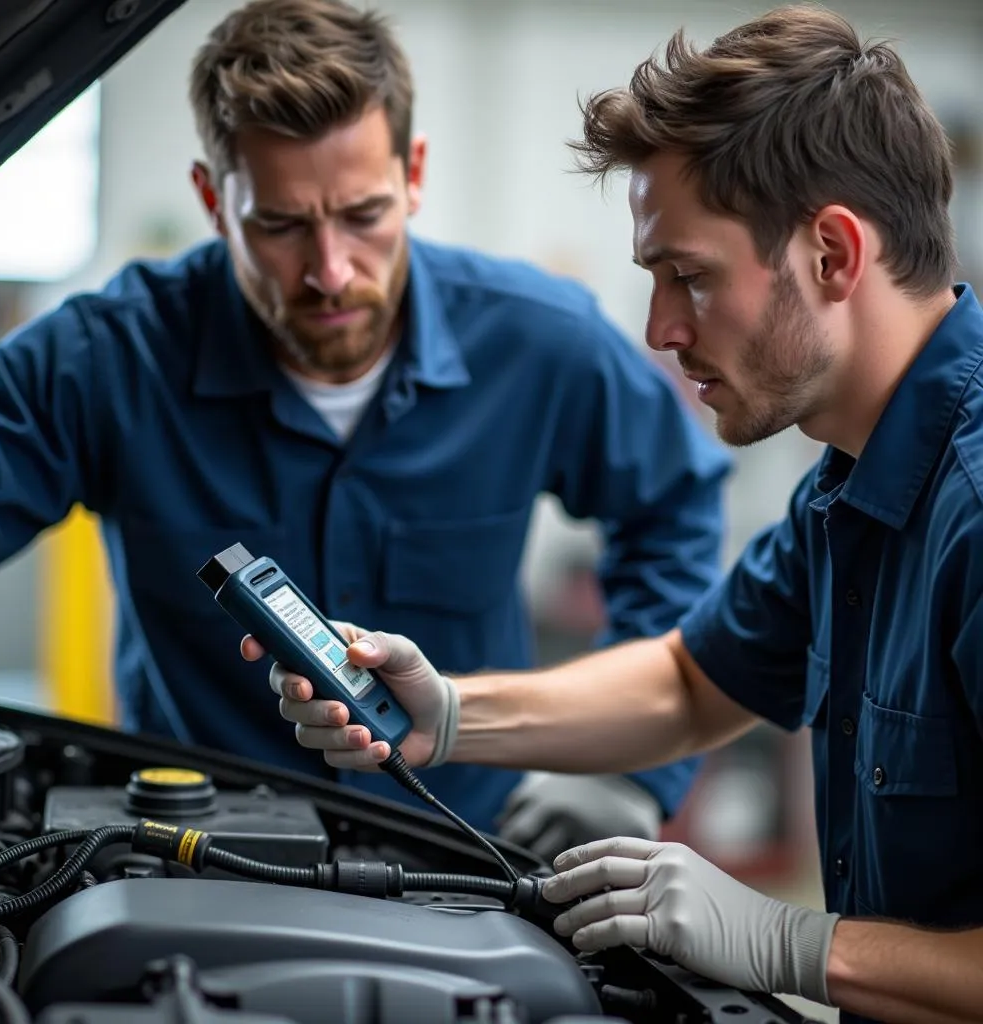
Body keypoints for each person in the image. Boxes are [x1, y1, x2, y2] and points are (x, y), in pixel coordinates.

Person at [260, 6, 983, 1023]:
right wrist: (454, 715)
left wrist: (790, 940)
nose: (660, 328)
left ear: (830, 253)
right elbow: (693, 682)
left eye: (688, 276)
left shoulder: (975, 513)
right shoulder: (848, 493)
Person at [0, 0, 730, 856]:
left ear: (414, 176)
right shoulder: (101, 360)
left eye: (363, 215)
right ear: (215, 200)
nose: (330, 271)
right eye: (282, 226)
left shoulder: (539, 342)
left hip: (466, 853)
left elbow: (677, 508)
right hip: (198, 859)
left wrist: (626, 773)